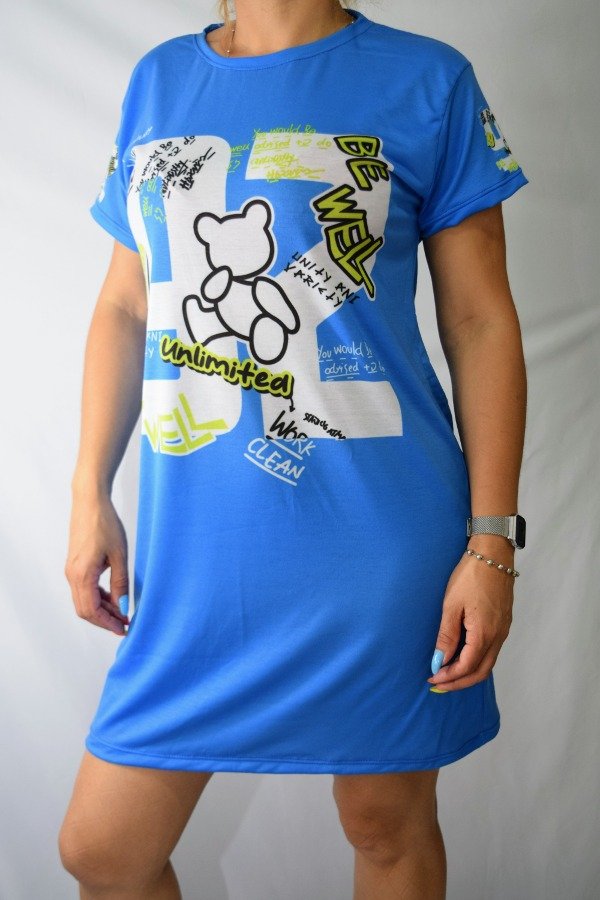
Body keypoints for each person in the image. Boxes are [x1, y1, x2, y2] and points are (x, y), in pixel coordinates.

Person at [59, 1, 529, 897]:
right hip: (196, 549)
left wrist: (492, 542)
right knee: (104, 853)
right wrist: (90, 493)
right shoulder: (160, 80)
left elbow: (479, 321)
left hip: (378, 544)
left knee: (384, 824)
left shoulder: (428, 80)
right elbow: (126, 303)